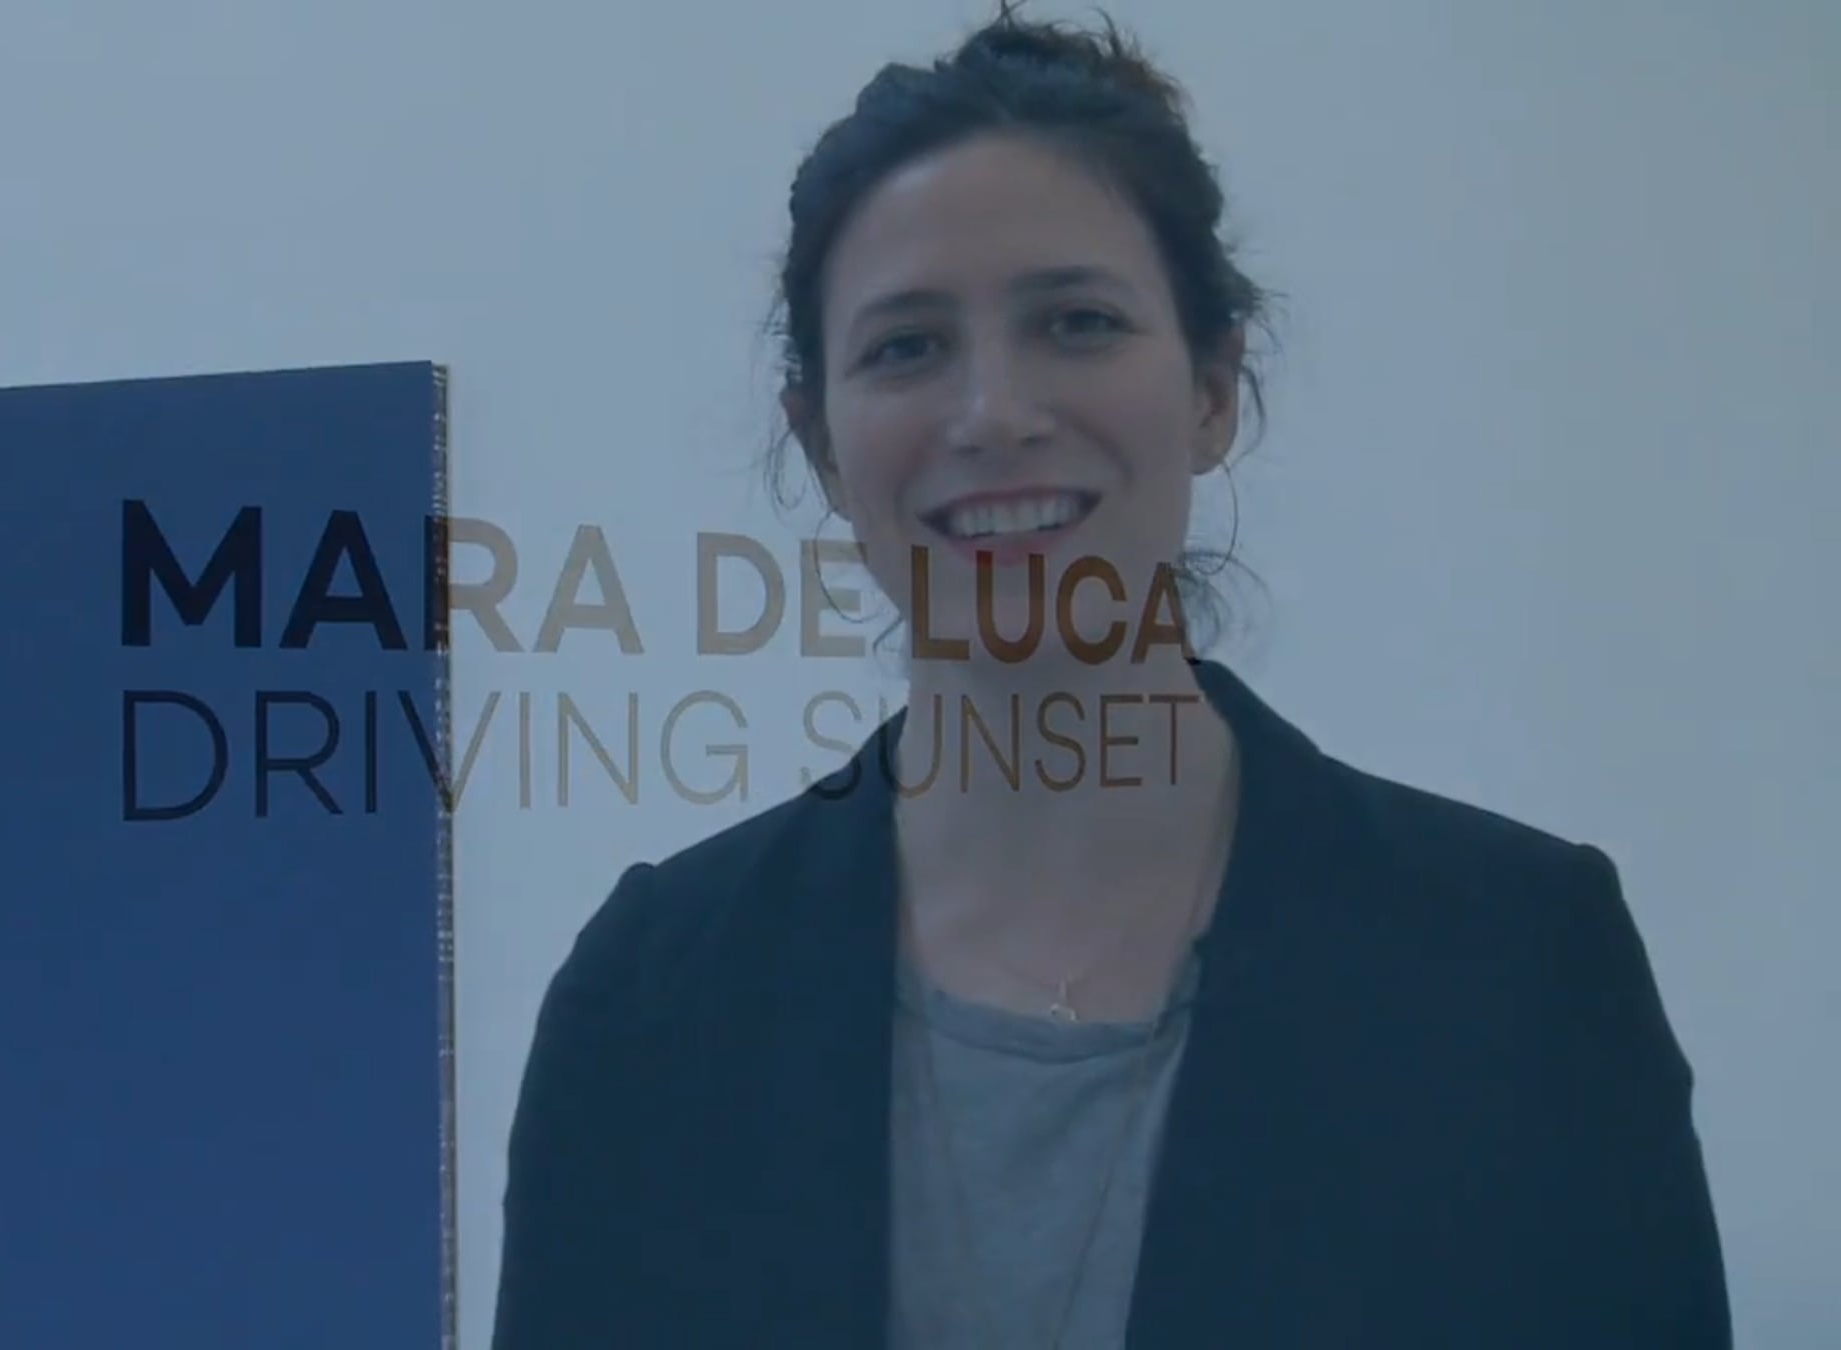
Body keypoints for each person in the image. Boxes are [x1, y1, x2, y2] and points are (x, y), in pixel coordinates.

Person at [490, 10, 1729, 1349]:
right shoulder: (654, 1000)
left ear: (1213, 388)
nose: (993, 414)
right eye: (907, 346)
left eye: (1077, 322)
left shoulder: (1522, 970)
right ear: (823, 443)